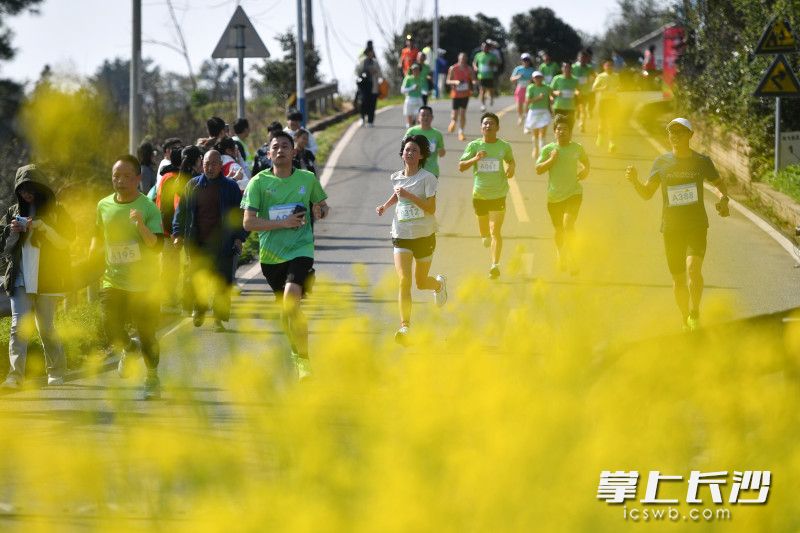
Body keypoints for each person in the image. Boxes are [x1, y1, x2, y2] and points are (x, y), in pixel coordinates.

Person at [625, 118, 730, 331]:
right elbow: (647, 193)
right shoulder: (661, 162)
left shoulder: (701, 161)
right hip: (671, 228)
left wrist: (723, 198)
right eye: (672, 132)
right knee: (679, 280)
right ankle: (684, 318)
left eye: (680, 132)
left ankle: (695, 312)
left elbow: (718, 184)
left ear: (690, 135)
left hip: (696, 225)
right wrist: (635, 181)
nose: (675, 135)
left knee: (693, 269)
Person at [241, 131, 330, 380]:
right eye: (275, 147)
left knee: (291, 299)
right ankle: (295, 351)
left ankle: (303, 360)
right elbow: (248, 223)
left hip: (301, 249)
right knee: (286, 309)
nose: (280, 150)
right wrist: (283, 223)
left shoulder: (307, 178)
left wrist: (320, 210)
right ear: (268, 154)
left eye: (285, 146)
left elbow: (323, 206)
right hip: (271, 256)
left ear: (293, 152)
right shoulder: (258, 182)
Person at [91, 155, 164, 400]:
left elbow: (157, 246)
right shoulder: (103, 205)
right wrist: (92, 253)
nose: (120, 181)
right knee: (109, 326)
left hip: (144, 283)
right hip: (113, 279)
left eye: (126, 176)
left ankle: (152, 378)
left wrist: (141, 225)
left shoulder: (148, 207)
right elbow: (98, 235)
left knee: (147, 333)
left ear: (138, 179)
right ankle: (129, 348)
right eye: (116, 176)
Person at [0, 165, 75, 389]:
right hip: (20, 277)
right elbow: (4, 249)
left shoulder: (56, 211)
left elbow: (66, 242)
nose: (26, 194)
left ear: (40, 188)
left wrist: (44, 228)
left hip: (48, 278)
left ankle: (56, 370)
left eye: (30, 188)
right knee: (18, 327)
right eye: (22, 190)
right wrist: (12, 232)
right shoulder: (13, 212)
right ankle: (15, 376)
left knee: (46, 328)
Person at [376, 135, 447, 346]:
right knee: (404, 281)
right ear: (402, 153)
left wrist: (410, 195)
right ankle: (405, 326)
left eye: (415, 150)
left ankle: (438, 285)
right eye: (407, 149)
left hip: (424, 235)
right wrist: (385, 206)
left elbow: (431, 208)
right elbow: (398, 195)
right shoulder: (396, 177)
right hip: (401, 234)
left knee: (421, 282)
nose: (410, 153)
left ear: (422, 155)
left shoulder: (428, 178)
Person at [173, 150, 246, 333]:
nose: (210, 167)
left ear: (220, 165)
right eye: (206, 164)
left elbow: (240, 214)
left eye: (214, 164)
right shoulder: (193, 185)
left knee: (222, 282)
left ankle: (219, 320)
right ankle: (200, 308)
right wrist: (178, 234)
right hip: (198, 243)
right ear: (202, 165)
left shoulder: (230, 187)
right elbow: (181, 211)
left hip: (224, 243)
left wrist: (239, 237)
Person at [458, 112, 516, 279]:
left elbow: (511, 160)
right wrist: (475, 159)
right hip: (480, 195)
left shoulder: (504, 146)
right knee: (485, 233)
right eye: (485, 123)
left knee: (495, 231)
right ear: (481, 127)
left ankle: (495, 265)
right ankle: (484, 236)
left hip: (498, 194)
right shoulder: (474, 146)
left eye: (491, 123)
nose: (488, 126)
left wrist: (511, 168)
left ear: (497, 127)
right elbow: (461, 166)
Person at [535, 115, 590, 275]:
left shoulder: (577, 148)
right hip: (554, 197)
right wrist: (551, 160)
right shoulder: (548, 150)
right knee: (559, 230)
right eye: (558, 129)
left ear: (570, 132)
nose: (561, 131)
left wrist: (586, 170)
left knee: (568, 225)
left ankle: (573, 258)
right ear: (554, 132)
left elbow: (586, 162)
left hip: (574, 193)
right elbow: (538, 169)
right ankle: (560, 253)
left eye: (565, 129)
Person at [404, 106, 446, 177]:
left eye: (428, 115)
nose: (425, 117)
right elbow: (404, 149)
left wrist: (441, 150)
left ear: (432, 117)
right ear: (418, 117)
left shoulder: (437, 134)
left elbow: (442, 154)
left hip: (431, 172)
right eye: (423, 115)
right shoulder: (412, 132)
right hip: (413, 171)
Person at [592, 59, 621, 153]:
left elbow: (618, 85)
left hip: (613, 101)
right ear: (604, 67)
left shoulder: (616, 76)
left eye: (611, 65)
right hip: (603, 101)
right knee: (602, 122)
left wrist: (618, 88)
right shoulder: (600, 76)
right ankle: (600, 136)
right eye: (607, 65)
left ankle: (611, 143)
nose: (609, 67)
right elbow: (594, 88)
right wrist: (602, 88)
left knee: (612, 123)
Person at [524, 71, 553, 161]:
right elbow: (527, 101)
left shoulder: (546, 87)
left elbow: (552, 94)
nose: (538, 79)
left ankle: (542, 151)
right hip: (534, 112)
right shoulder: (531, 87)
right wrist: (538, 98)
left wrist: (552, 98)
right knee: (535, 133)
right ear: (533, 79)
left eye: (539, 77)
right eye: (536, 77)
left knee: (543, 133)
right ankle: (535, 148)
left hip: (544, 111)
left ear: (542, 78)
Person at [446, 52, 474, 141]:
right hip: (456, 94)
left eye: (464, 58)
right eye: (461, 58)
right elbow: (448, 81)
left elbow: (473, 80)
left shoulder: (469, 69)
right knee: (455, 114)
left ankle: (461, 132)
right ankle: (453, 122)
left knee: (462, 114)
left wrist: (474, 83)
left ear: (466, 59)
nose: (463, 60)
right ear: (458, 58)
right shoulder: (453, 68)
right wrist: (455, 82)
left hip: (465, 94)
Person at [355, 46, 383, 127]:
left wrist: (375, 72)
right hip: (364, 86)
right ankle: (362, 118)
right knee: (363, 102)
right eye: (369, 52)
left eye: (371, 52)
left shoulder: (375, 62)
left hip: (373, 86)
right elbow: (357, 72)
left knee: (372, 104)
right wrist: (364, 73)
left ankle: (370, 121)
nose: (370, 54)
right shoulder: (362, 62)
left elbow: (380, 74)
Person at [572, 50, 595, 133]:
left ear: (587, 59)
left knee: (583, 109)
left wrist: (591, 80)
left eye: (584, 58)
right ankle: (577, 111)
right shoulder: (573, 67)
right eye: (581, 58)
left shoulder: (589, 68)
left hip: (585, 92)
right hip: (574, 91)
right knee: (576, 109)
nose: (583, 59)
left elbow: (594, 76)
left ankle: (582, 124)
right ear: (578, 58)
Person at [550, 62, 579, 128]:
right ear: (562, 68)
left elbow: (577, 90)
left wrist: (577, 92)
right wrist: (556, 92)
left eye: (569, 67)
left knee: (570, 126)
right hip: (559, 106)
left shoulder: (575, 80)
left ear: (571, 69)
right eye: (565, 67)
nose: (567, 69)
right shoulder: (557, 78)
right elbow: (551, 90)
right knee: (557, 126)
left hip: (571, 107)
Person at [510, 53, 536, 126]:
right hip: (520, 88)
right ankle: (520, 117)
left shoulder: (532, 70)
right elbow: (512, 79)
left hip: (529, 88)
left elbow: (535, 80)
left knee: (528, 104)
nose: (526, 61)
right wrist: (518, 76)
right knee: (519, 103)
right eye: (524, 60)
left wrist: (532, 80)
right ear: (521, 61)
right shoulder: (518, 69)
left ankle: (527, 117)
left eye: (527, 60)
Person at [473, 42, 498, 112]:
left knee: (490, 90)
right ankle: (483, 105)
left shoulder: (492, 55)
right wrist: (475, 67)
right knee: (482, 90)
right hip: (481, 76)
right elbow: (474, 62)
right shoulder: (478, 55)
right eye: (483, 47)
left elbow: (497, 63)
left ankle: (491, 98)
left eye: (486, 47)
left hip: (490, 76)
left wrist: (492, 63)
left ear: (488, 48)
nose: (484, 48)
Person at [401, 63, 425, 128]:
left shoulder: (421, 79)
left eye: (417, 70)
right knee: (410, 120)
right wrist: (412, 88)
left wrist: (425, 92)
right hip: (410, 99)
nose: (416, 71)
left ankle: (418, 132)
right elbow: (402, 90)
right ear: (412, 71)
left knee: (420, 119)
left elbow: (424, 89)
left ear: (419, 71)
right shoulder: (408, 78)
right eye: (414, 70)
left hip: (419, 99)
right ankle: (410, 131)